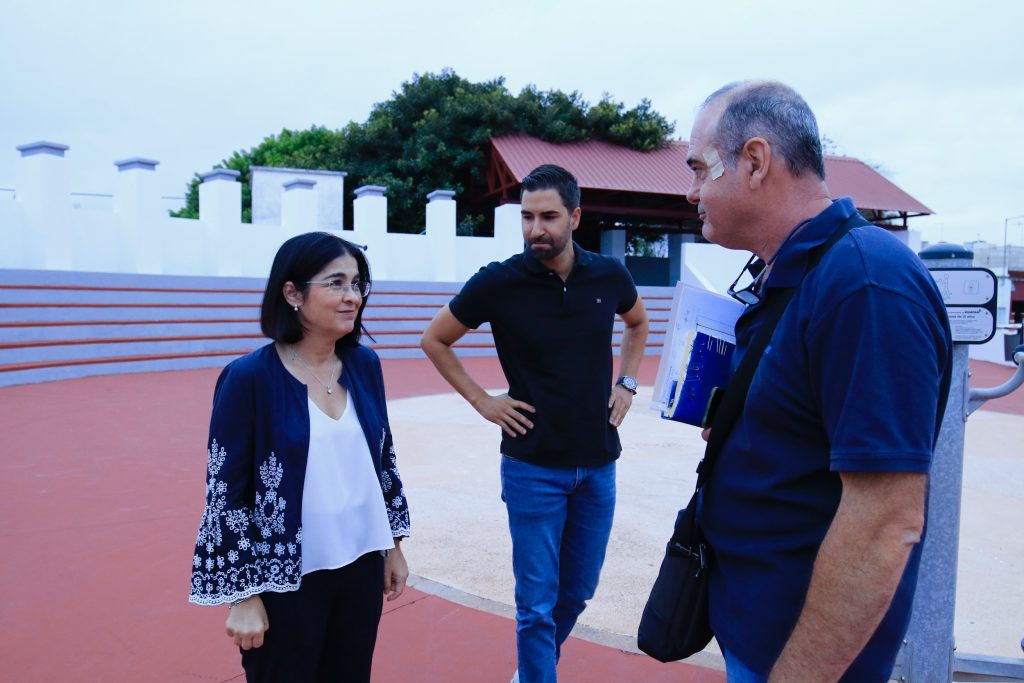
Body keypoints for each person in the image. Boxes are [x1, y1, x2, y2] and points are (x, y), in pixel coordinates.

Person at [685, 81, 952, 682]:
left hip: (802, 660)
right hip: (761, 632)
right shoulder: (794, 273)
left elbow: (885, 521)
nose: (691, 191)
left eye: (700, 169)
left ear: (754, 162)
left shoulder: (863, 284)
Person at [420, 164, 649, 683]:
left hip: (597, 465)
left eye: (547, 217)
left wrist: (628, 383)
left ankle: (530, 670)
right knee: (536, 605)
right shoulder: (499, 282)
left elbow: (637, 322)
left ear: (575, 216)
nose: (535, 229)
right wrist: (483, 401)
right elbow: (435, 339)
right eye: (526, 217)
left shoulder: (608, 275)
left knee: (578, 591)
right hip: (531, 468)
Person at [189, 232, 411, 683]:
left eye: (357, 284)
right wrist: (244, 595)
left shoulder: (365, 366)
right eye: (335, 283)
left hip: (362, 567)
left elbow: (382, 464)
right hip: (285, 578)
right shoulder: (249, 378)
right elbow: (224, 493)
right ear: (292, 293)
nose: (352, 297)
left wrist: (393, 548)